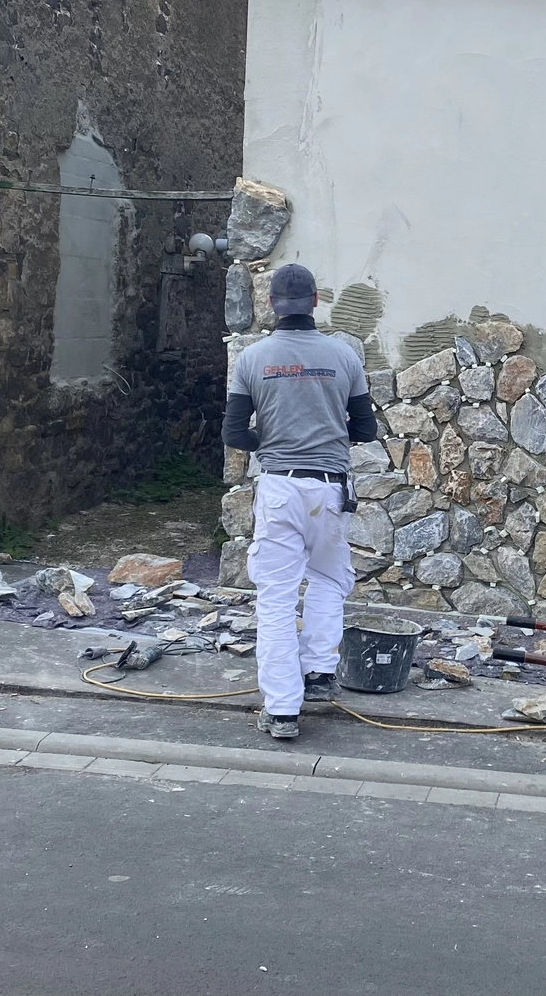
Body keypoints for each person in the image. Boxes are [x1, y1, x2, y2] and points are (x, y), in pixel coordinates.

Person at [223, 264, 377, 740]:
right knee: (330, 577)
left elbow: (232, 432)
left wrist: (273, 437)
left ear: (271, 304)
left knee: (275, 595)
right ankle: (318, 672)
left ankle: (283, 709)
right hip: (328, 488)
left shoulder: (252, 358)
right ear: (315, 301)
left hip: (279, 489)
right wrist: (328, 432)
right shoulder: (345, 355)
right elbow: (366, 430)